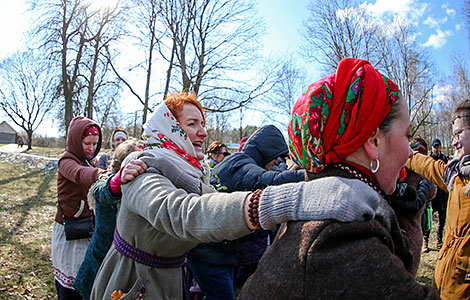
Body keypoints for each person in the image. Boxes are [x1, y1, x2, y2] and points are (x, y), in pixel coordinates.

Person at [90, 91, 382, 300]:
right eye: (192, 125)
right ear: (171, 128)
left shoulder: (194, 172)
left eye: (203, 124)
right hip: (132, 281)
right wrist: (280, 202)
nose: (203, 132)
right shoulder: (143, 170)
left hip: (171, 278)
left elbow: (211, 201)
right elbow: (185, 213)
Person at [239, 58, 438, 299]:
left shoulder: (328, 214)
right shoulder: (343, 240)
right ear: (374, 141)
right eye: (407, 134)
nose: (409, 152)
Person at [192, 124, 306, 297]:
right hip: (210, 252)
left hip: (212, 248)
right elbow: (270, 180)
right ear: (266, 152)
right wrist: (307, 176)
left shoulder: (236, 160)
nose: (276, 162)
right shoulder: (242, 164)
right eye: (275, 157)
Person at [406, 99, 470, 300]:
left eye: (458, 133)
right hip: (443, 283)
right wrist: (403, 151)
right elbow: (428, 166)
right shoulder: (456, 175)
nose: (453, 142)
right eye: (452, 135)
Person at [73, 138, 145, 299]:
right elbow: (100, 192)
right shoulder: (107, 180)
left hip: (127, 271)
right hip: (99, 262)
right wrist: (117, 181)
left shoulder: (143, 189)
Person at [52, 116, 106, 300]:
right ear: (76, 141)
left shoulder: (90, 161)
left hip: (87, 228)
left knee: (84, 278)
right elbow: (78, 174)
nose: (91, 148)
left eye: (95, 144)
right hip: (70, 230)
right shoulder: (66, 161)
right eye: (87, 143)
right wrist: (100, 175)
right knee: (70, 283)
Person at [429, 138, 448, 249]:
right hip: (433, 195)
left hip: (443, 194)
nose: (436, 149)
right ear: (432, 148)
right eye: (434, 147)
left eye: (437, 147)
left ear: (440, 147)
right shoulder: (429, 159)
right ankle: (426, 240)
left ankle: (439, 240)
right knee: (429, 220)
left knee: (442, 219)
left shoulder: (444, 159)